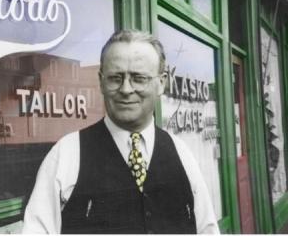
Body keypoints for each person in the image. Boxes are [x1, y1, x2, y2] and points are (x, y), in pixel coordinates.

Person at [22, 30, 220, 234]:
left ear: (161, 83)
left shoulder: (181, 152)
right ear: (101, 81)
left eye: (139, 78)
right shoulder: (66, 154)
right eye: (116, 78)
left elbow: (207, 229)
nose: (126, 89)